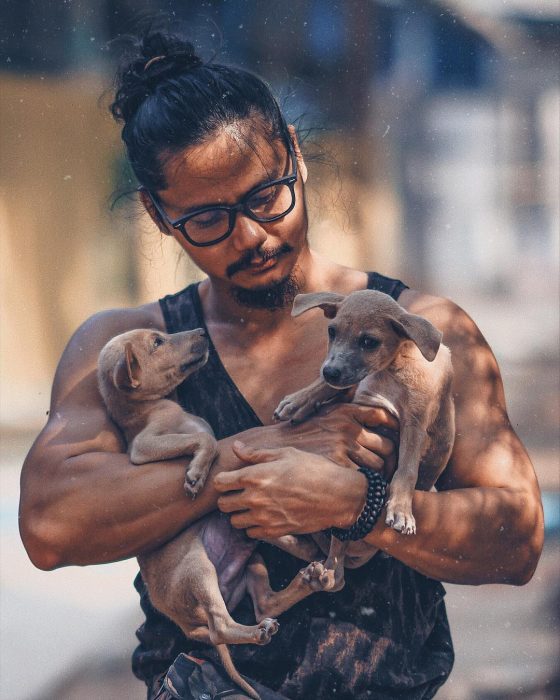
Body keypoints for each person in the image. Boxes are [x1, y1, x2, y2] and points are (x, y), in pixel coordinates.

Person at [19, 31, 543, 700]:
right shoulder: (129, 346)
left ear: (296, 155)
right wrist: (254, 455)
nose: (253, 236)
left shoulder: (424, 334)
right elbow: (51, 526)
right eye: (208, 219)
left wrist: (361, 505)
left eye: (265, 197)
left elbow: (517, 536)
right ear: (158, 213)